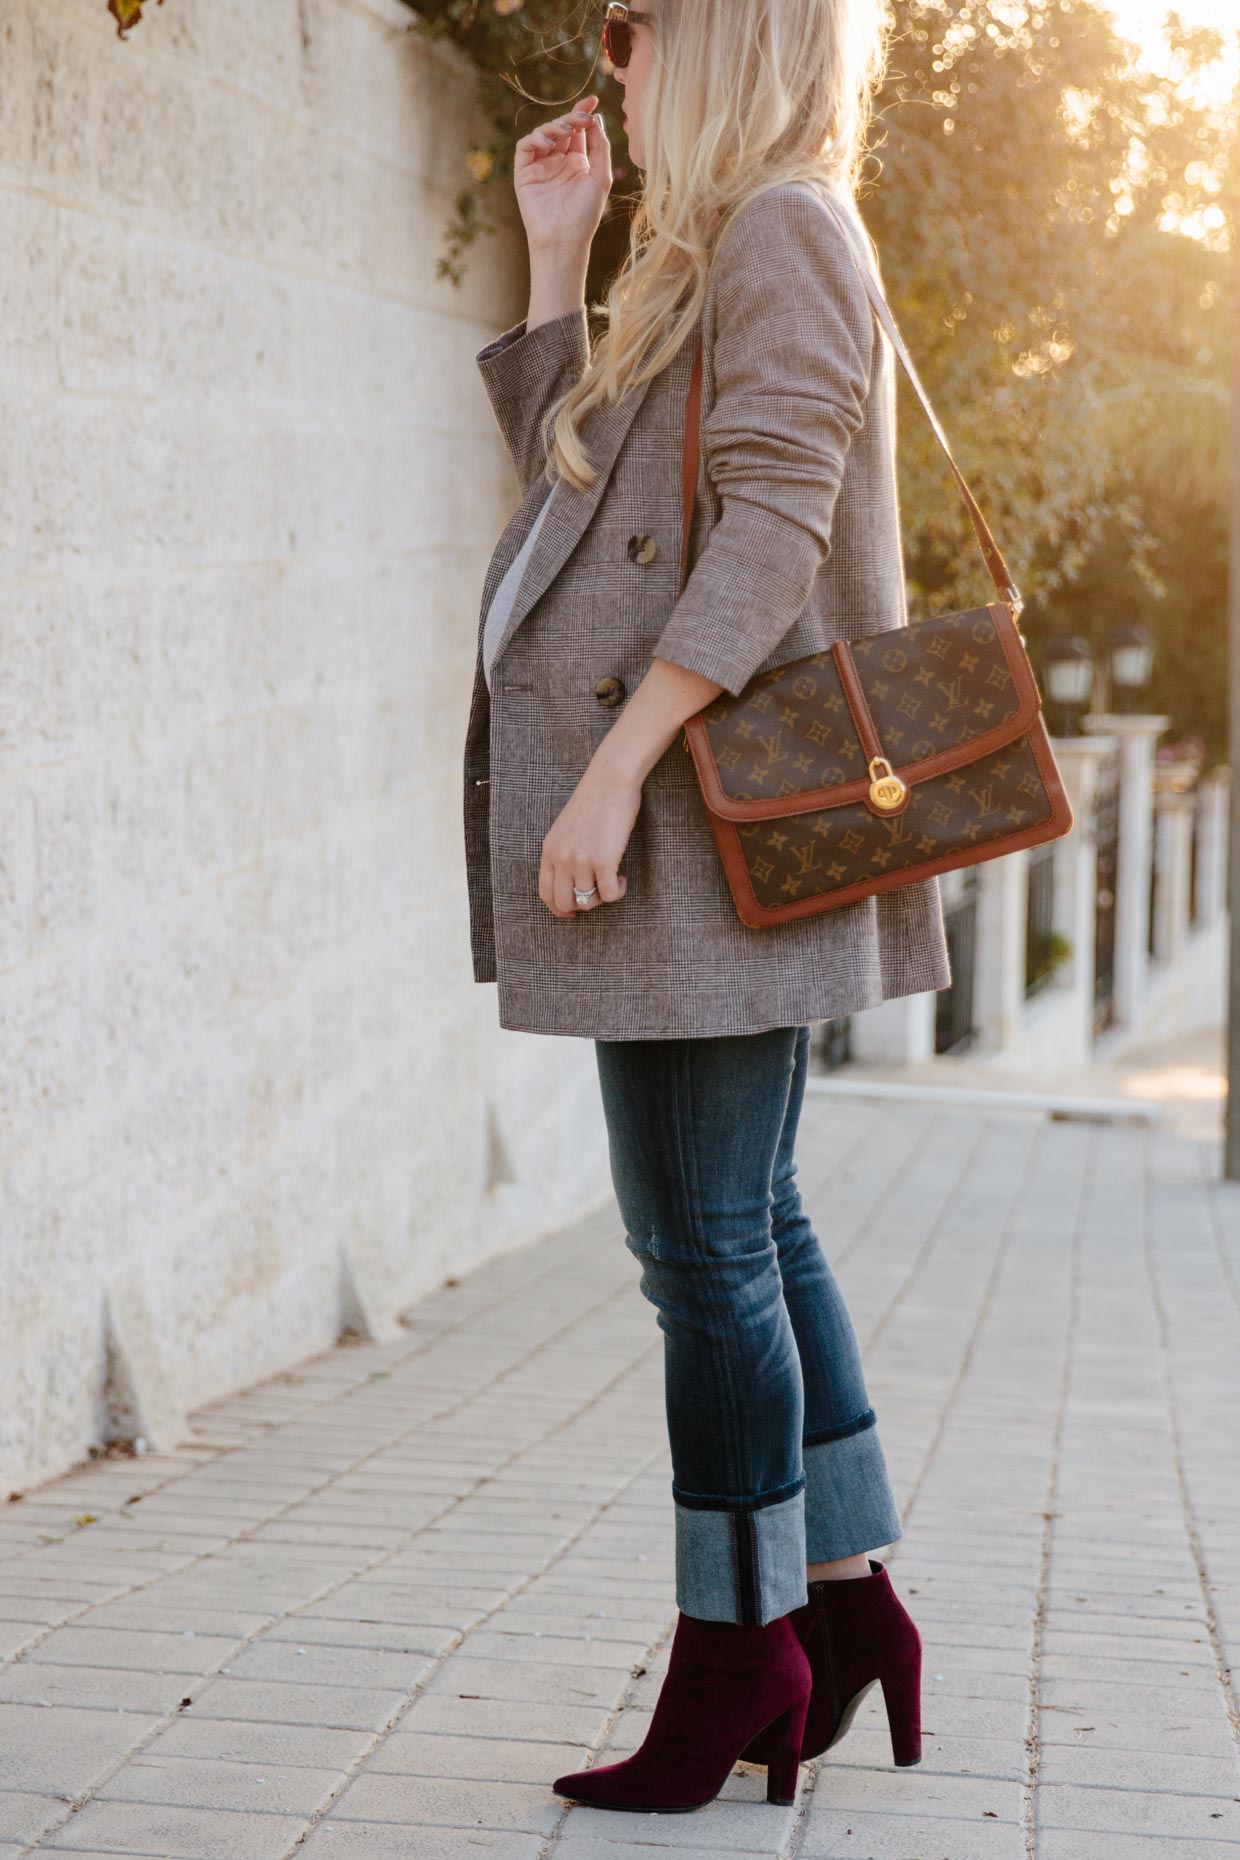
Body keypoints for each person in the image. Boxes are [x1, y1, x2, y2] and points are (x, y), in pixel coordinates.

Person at [461, 0, 945, 1817]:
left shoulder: (788, 231)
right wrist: (562, 259)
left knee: (705, 1251)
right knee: (749, 1224)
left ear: (728, 40)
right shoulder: (707, 243)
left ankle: (740, 1653)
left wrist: (609, 771)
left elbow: (773, 526)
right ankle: (850, 1597)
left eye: (637, 27)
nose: (613, 60)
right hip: (686, 832)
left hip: (707, 828)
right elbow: (574, 498)